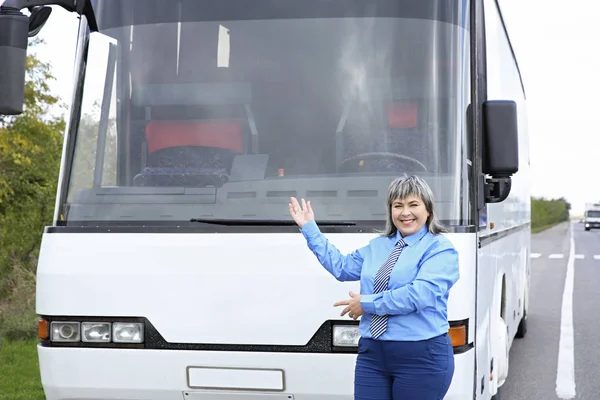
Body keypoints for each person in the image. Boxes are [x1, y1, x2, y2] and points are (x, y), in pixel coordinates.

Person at [288, 175, 459, 400]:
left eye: (413, 204)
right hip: (373, 354)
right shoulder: (378, 246)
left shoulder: (440, 249)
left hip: (421, 356)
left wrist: (366, 304)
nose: (405, 212)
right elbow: (341, 267)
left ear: (428, 209)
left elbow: (419, 295)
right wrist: (310, 229)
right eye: (398, 206)